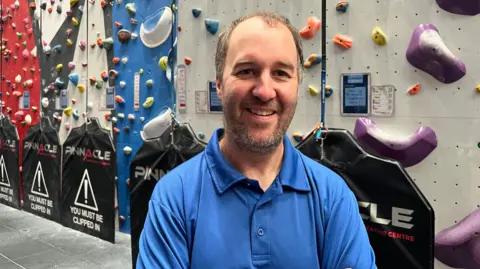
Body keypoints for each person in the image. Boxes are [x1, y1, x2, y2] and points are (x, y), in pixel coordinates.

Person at [136, 11, 377, 269]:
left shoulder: (333, 196)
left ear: (297, 86)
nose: (264, 91)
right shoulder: (175, 197)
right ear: (219, 84)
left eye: (281, 73)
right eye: (247, 70)